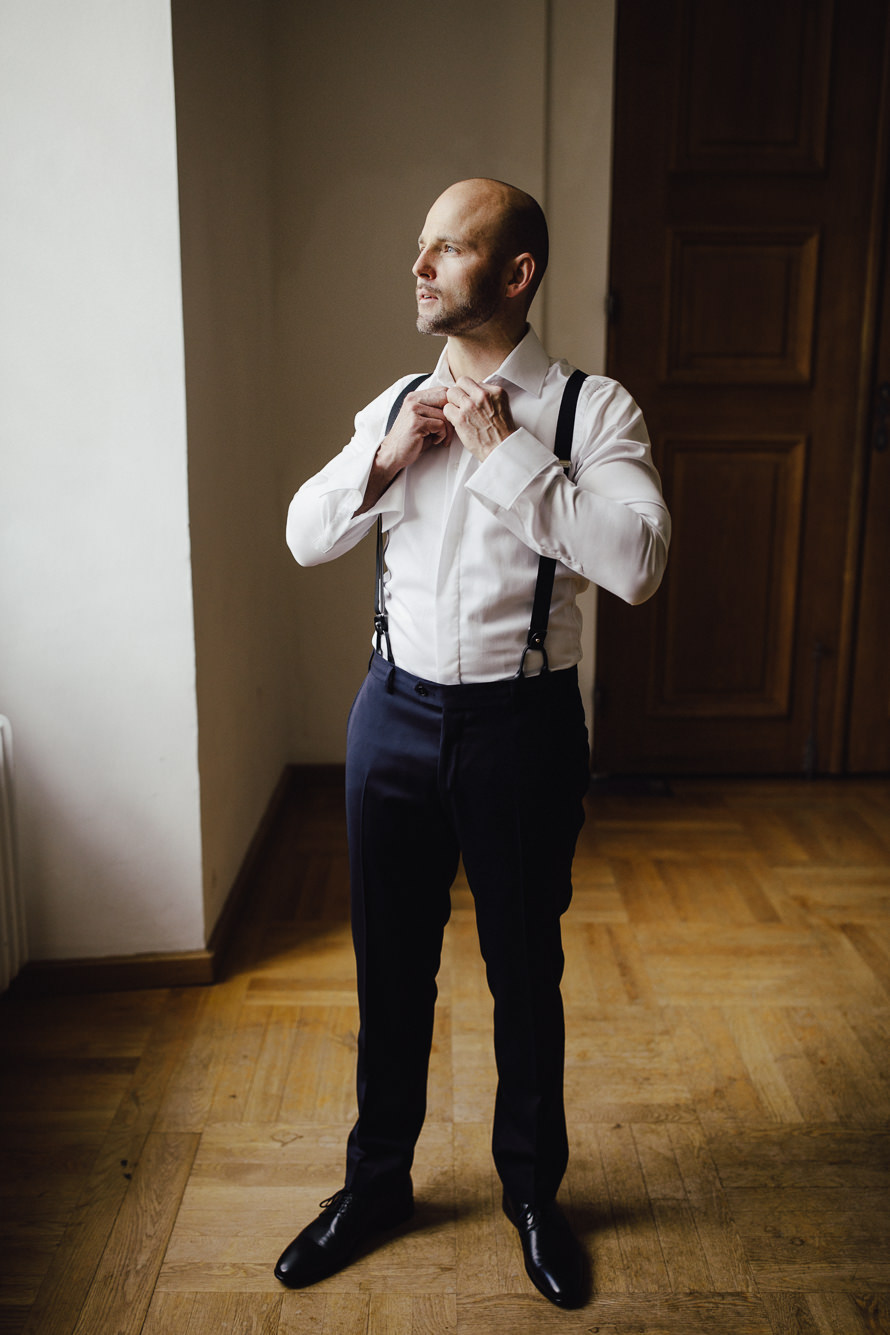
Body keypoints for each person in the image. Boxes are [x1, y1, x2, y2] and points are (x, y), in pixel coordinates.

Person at [275, 178, 670, 1308]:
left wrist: (505, 457)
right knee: (388, 967)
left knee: (521, 969)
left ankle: (534, 1196)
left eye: (445, 250)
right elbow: (304, 536)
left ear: (514, 274)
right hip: (390, 717)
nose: (418, 267)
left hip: (519, 728)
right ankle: (377, 1182)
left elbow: (637, 565)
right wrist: (387, 457)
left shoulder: (593, 412)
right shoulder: (397, 399)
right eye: (420, 248)